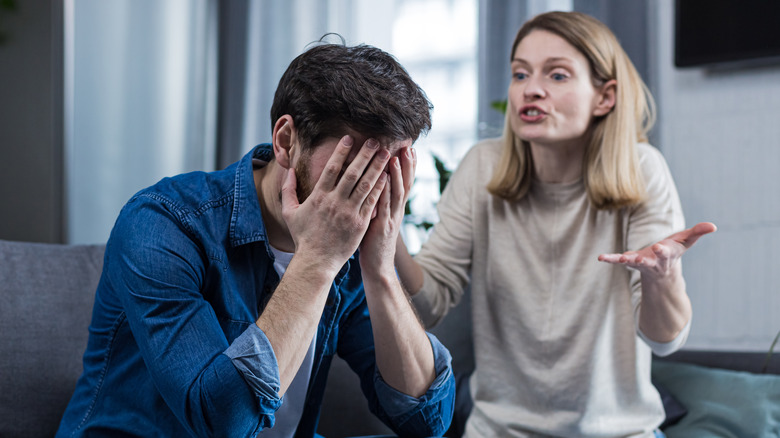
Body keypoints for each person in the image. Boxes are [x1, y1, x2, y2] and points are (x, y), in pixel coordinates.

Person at [56, 42, 455, 438]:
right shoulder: (162, 223)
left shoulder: (352, 244)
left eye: (390, 169)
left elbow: (427, 421)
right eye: (353, 169)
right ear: (286, 141)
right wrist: (317, 259)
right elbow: (223, 423)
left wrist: (381, 269)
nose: (368, 192)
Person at [394, 11, 716, 438]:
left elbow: (664, 340)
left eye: (558, 76)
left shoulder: (643, 169)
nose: (532, 89)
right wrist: (388, 235)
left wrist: (661, 277)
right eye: (520, 74)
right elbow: (427, 304)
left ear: (605, 97)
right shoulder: (481, 168)